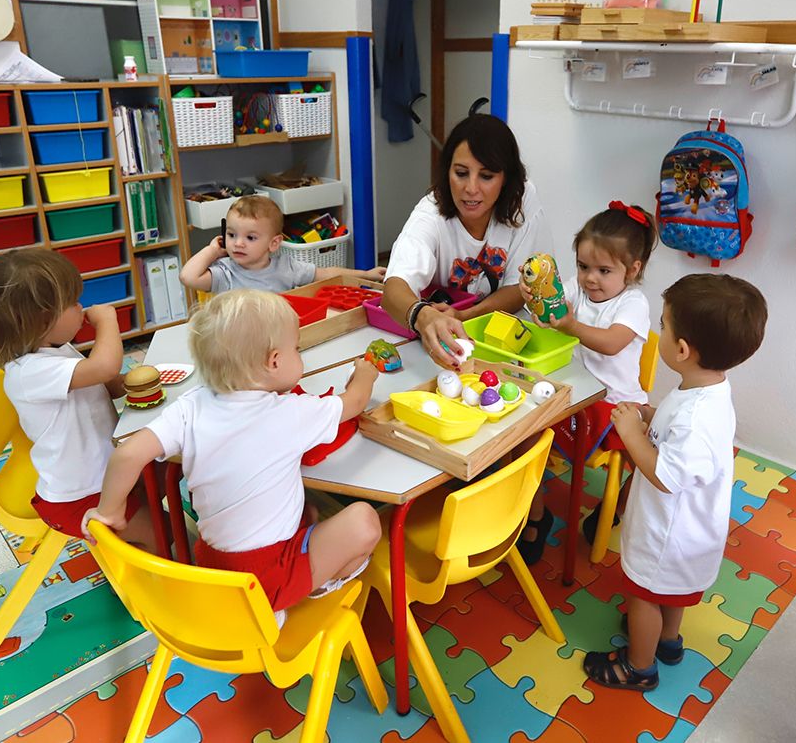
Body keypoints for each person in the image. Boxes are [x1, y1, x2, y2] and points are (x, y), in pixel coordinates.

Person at [83, 289, 382, 627]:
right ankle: (290, 597)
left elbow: (127, 454)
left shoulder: (190, 405)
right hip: (262, 578)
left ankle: (277, 586)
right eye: (295, 349)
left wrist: (108, 511)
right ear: (273, 361)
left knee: (310, 511)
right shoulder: (289, 412)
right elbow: (354, 401)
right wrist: (365, 374)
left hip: (212, 567)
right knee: (363, 521)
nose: (298, 356)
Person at [582, 273, 767, 692]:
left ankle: (638, 666)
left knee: (644, 594)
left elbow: (666, 475)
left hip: (668, 533)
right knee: (673, 592)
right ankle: (667, 642)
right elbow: (678, 439)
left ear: (681, 350)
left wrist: (630, 434)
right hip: (689, 533)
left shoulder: (696, 415)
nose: (658, 333)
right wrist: (648, 417)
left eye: (663, 326)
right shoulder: (707, 391)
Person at [0, 249, 156, 551]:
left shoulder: (58, 350)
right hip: (79, 495)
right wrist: (108, 321)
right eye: (72, 303)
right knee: (162, 535)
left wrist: (136, 384)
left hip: (104, 473)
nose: (81, 307)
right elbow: (104, 367)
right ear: (42, 320)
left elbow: (106, 385)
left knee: (161, 472)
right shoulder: (29, 372)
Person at [515, 201, 658, 564]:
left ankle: (615, 510)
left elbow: (611, 343)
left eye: (603, 270)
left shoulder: (633, 303)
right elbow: (550, 310)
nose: (589, 278)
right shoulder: (577, 290)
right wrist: (537, 293)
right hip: (569, 395)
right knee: (521, 436)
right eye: (582, 266)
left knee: (652, 461)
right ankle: (536, 514)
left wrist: (570, 325)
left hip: (616, 404)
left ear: (632, 270)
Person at [381, 114, 551, 370]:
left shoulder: (522, 200)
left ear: (506, 178)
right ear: (447, 171)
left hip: (504, 343)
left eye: (486, 176)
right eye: (461, 173)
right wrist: (422, 315)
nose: (471, 188)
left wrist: (465, 315)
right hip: (442, 352)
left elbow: (519, 288)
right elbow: (393, 289)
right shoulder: (431, 213)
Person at [179, 195, 385, 293]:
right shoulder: (225, 273)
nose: (238, 243)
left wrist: (366, 275)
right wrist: (213, 250)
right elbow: (188, 277)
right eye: (232, 235)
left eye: (250, 238)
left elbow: (327, 274)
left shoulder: (287, 267)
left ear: (274, 243)